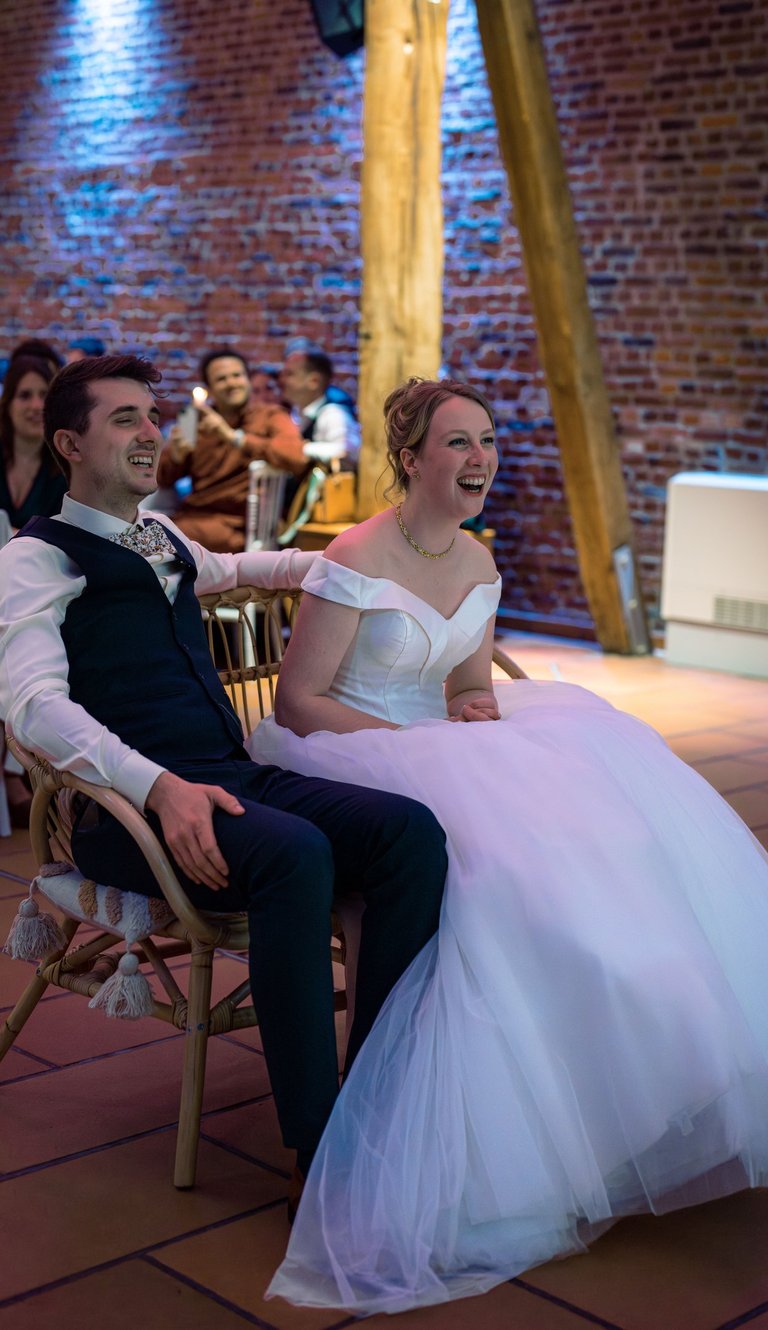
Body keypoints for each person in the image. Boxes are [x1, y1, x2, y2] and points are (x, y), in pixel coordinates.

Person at [248, 377, 768, 1315]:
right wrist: (413, 744)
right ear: (411, 458)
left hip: (443, 747)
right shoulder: (352, 556)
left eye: (488, 440)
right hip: (349, 754)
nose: (481, 457)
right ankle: (482, 1122)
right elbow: (299, 702)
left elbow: (467, 685)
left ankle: (636, 1073)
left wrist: (473, 711)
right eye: (459, 442)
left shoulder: (480, 558)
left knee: (610, 835)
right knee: (508, 874)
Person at [0, 355, 448, 1205]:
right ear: (69, 443)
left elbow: (235, 570)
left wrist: (341, 567)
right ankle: (318, 1145)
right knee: (295, 854)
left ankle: (372, 1086)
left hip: (229, 775)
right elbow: (34, 710)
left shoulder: (156, 535)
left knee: (410, 832)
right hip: (122, 816)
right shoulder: (34, 558)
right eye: (125, 419)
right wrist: (158, 789)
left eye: (152, 414)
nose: (151, 432)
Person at [156, 347, 308, 552]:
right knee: (139, 538)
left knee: (154, 544)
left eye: (237, 375)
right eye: (221, 379)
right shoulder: (197, 422)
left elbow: (296, 457)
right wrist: (175, 456)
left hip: (240, 526)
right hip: (193, 517)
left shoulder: (272, 416)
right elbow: (162, 480)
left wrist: (233, 437)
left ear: (248, 380)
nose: (231, 383)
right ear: (209, 389)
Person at [0, 355, 65, 528]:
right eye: (25, 395)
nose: (36, 406)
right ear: (8, 404)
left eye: (44, 395)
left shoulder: (67, 471)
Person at [280, 348, 360, 465]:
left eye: (290, 374)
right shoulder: (295, 413)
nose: (282, 380)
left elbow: (348, 451)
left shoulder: (333, 414)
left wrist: (300, 449)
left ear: (314, 381)